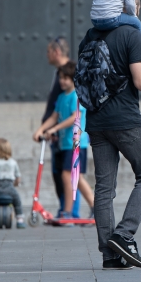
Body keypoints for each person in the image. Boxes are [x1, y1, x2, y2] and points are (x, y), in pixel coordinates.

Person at [78, 23, 141, 270]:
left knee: (104, 188)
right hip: (125, 120)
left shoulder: (90, 34)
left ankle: (109, 255)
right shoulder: (131, 34)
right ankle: (123, 234)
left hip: (96, 120)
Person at [33, 61, 94, 224]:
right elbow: (54, 116)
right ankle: (96, 207)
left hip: (76, 143)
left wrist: (54, 129)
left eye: (66, 78)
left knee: (68, 176)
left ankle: (67, 212)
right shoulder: (61, 97)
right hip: (66, 144)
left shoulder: (77, 95)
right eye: (61, 78)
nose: (63, 81)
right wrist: (41, 129)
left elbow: (75, 117)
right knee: (77, 178)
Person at [42, 37, 81, 219]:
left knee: (70, 174)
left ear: (56, 52)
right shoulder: (59, 73)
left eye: (49, 51)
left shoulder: (69, 75)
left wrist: (55, 128)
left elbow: (71, 111)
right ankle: (65, 208)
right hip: (59, 132)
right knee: (60, 173)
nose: (47, 55)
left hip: (67, 134)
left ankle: (71, 211)